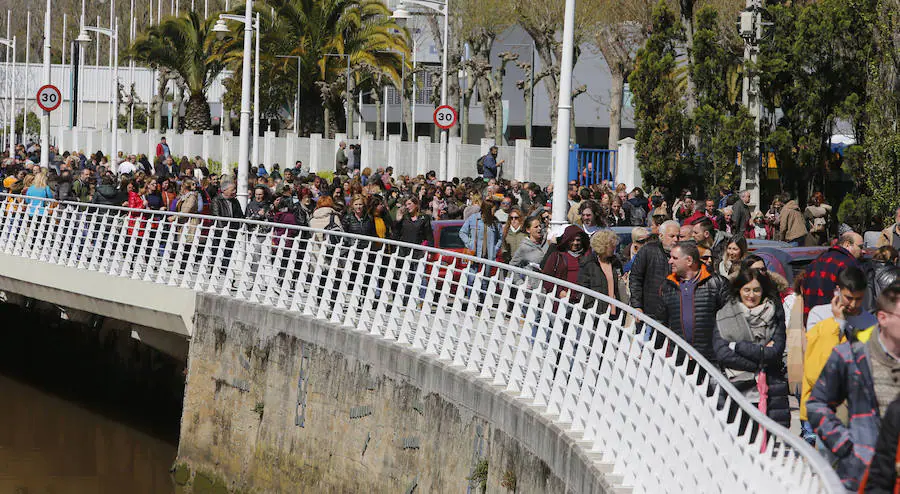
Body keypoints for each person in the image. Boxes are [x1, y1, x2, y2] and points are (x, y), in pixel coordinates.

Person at [807, 283, 900, 491]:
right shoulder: (851, 357)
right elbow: (817, 404)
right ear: (883, 318)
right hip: (863, 475)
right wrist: (848, 446)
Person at [801, 267, 876, 446]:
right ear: (837, 290)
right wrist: (838, 323)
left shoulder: (871, 322)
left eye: (858, 299)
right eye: (849, 298)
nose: (853, 304)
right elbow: (822, 360)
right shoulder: (818, 314)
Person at [713, 267, 789, 429]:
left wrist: (738, 346)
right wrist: (760, 357)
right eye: (746, 290)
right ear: (739, 290)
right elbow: (723, 354)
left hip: (771, 394)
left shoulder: (774, 315)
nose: (751, 295)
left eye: (756, 290)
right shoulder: (724, 316)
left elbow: (775, 352)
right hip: (734, 391)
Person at [659, 240, 728, 363]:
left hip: (711, 357)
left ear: (689, 261)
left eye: (674, 258)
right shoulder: (667, 286)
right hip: (678, 358)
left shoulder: (717, 283)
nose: (670, 261)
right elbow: (661, 322)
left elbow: (730, 320)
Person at [802, 231, 865, 324]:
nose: (864, 251)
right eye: (860, 247)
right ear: (847, 244)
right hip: (838, 322)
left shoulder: (817, 261)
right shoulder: (850, 264)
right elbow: (856, 298)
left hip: (812, 322)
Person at [630, 220, 680, 321]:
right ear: (661, 236)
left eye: (678, 236)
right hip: (650, 313)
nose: (676, 240)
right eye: (672, 236)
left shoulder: (682, 254)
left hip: (674, 314)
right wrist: (637, 306)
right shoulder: (648, 251)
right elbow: (636, 278)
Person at [577, 229, 623, 317]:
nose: (614, 247)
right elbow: (582, 289)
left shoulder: (616, 262)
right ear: (603, 245)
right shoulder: (588, 263)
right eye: (611, 245)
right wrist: (591, 307)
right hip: (595, 313)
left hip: (615, 312)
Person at [541, 225, 588, 298]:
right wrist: (558, 292)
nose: (575, 243)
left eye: (578, 240)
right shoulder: (557, 256)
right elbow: (546, 278)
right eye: (572, 240)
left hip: (581, 302)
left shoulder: (587, 257)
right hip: (560, 302)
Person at [510, 216, 549, 287]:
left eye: (540, 226)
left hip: (547, 287)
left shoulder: (547, 242)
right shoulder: (524, 247)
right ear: (528, 230)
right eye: (536, 227)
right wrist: (520, 283)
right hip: (531, 289)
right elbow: (512, 266)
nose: (539, 229)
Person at [865, 246, 900, 312]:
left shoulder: (864, 268)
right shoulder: (896, 274)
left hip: (867, 314)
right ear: (895, 260)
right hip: (889, 313)